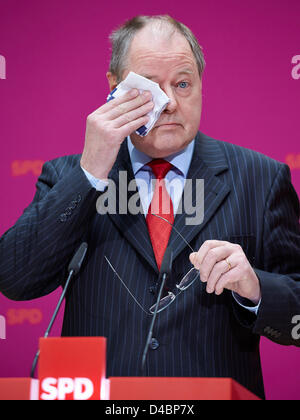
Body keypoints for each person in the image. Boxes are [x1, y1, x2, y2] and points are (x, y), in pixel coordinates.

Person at [0, 15, 299, 400]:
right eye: (151, 88)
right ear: (115, 87)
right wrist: (90, 172)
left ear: (201, 86)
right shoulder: (69, 175)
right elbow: (15, 278)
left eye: (183, 84)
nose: (171, 102)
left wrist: (255, 288)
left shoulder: (261, 177)